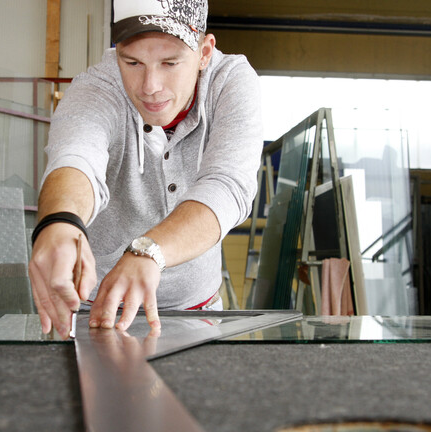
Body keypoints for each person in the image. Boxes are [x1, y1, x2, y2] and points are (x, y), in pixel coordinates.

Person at [28, 0, 262, 339]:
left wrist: (150, 250)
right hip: (98, 313)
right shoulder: (97, 87)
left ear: (204, 52)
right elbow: (76, 157)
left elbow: (228, 184)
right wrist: (60, 222)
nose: (150, 85)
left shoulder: (230, 82)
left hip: (197, 311)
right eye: (132, 62)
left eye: (170, 63)